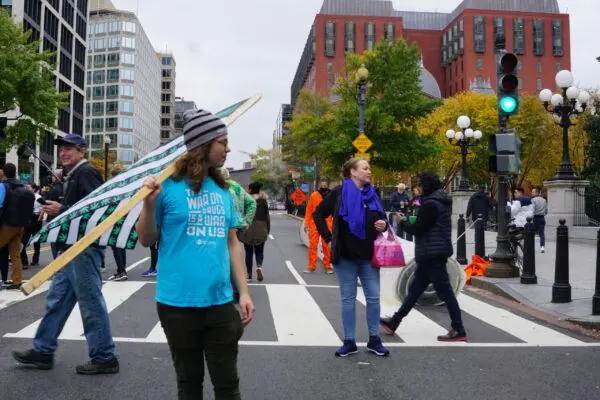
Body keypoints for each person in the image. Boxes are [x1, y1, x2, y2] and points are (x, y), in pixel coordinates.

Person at [136, 109, 254, 399]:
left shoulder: (225, 190)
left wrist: (244, 292)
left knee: (228, 385)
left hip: (220, 303)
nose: (228, 149)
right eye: (222, 143)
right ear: (203, 145)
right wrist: (149, 205)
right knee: (189, 384)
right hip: (176, 303)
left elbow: (233, 243)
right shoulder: (166, 187)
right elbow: (146, 238)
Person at [13, 134, 119, 374]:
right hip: (70, 249)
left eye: (69, 148)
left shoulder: (87, 172)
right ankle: (43, 350)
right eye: (61, 149)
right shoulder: (75, 175)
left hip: (82, 248)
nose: (63, 152)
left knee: (90, 301)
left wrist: (62, 208)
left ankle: (104, 356)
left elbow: (97, 209)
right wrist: (61, 203)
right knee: (58, 300)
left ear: (82, 151)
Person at [313, 158, 389, 357]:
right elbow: (318, 214)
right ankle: (349, 341)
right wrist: (328, 239)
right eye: (365, 168)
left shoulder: (373, 193)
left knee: (374, 298)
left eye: (369, 168)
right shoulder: (339, 193)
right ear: (353, 172)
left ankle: (374, 339)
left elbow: (382, 218)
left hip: (369, 255)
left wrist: (384, 224)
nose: (369, 171)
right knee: (348, 299)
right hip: (345, 256)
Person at [380, 172, 467, 342]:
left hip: (432, 253)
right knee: (414, 291)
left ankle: (459, 329)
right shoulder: (439, 201)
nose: (417, 187)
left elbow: (419, 229)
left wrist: (402, 222)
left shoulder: (431, 205)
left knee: (446, 293)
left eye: (419, 184)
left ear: (426, 186)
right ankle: (394, 322)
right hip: (433, 252)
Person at [222, 167, 256, 298]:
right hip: (237, 226)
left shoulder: (224, 188)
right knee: (234, 256)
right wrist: (246, 221)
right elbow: (252, 202)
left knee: (225, 258)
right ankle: (237, 289)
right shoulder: (237, 187)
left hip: (226, 226)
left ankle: (235, 289)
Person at [0, 163, 34, 290]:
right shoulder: (23, 186)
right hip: (20, 225)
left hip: (7, 225)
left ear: (4, 173)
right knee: (15, 254)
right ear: (15, 172)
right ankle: (16, 281)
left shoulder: (3, 186)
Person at [238, 182, 270, 281]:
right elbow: (267, 217)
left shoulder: (245, 200)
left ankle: (249, 274)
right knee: (259, 250)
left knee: (248, 252)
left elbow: (241, 214)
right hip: (261, 227)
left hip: (248, 227)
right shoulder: (263, 201)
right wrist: (267, 230)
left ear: (250, 190)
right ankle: (259, 267)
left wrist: (239, 229)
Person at [304, 178, 333, 274]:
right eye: (322, 185)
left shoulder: (331, 196)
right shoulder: (314, 195)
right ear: (319, 185)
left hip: (327, 224)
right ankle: (311, 266)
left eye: (325, 185)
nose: (323, 187)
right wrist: (306, 223)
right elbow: (309, 210)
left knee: (327, 246)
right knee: (313, 245)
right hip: (314, 223)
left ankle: (327, 266)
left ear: (328, 186)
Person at [107, 167, 128, 281]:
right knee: (121, 245)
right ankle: (123, 269)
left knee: (115, 246)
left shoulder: (114, 188)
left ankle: (121, 270)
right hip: (124, 218)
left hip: (115, 219)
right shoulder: (126, 187)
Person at [531, 187, 547, 253]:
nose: (532, 193)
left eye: (533, 192)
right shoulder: (544, 200)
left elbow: (532, 209)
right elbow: (546, 210)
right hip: (542, 218)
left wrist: (531, 218)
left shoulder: (533, 200)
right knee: (542, 234)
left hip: (535, 218)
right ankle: (542, 247)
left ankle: (531, 247)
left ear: (537, 192)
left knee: (531, 233)